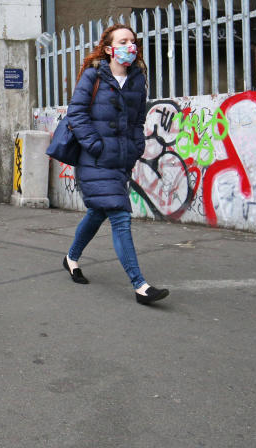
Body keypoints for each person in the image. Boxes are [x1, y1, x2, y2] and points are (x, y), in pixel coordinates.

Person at [62, 24, 169, 305]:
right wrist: (95, 145)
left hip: (121, 159)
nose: (130, 46)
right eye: (123, 41)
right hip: (94, 159)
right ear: (109, 49)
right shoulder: (93, 75)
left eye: (133, 41)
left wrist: (136, 147)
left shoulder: (137, 80)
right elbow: (76, 113)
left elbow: (137, 121)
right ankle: (140, 285)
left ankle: (71, 257)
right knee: (120, 216)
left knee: (98, 212)